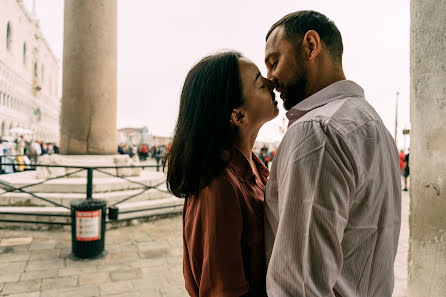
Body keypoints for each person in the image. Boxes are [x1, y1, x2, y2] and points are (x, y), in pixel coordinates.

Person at [263, 11, 402, 296]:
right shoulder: (374, 125)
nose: (270, 79)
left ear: (311, 45)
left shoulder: (317, 130)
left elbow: (298, 287)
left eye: (274, 62)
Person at [166, 51, 278, 297]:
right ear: (238, 115)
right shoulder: (219, 186)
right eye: (260, 83)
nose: (273, 82)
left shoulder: (258, 171)